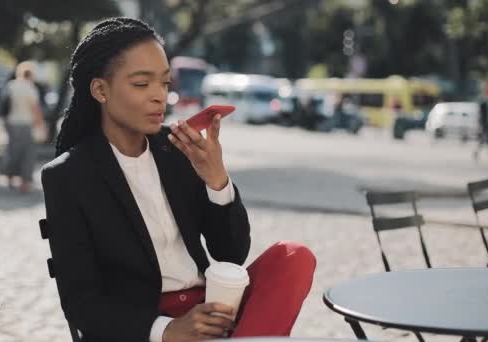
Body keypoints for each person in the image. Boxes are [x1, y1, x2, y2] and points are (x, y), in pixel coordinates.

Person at [41, 17, 316, 342]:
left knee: (293, 257)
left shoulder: (177, 149)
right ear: (101, 89)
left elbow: (231, 254)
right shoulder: (69, 176)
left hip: (214, 305)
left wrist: (217, 180)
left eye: (165, 83)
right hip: (148, 323)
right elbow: (83, 306)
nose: (160, 96)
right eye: (142, 84)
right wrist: (167, 330)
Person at [0, 61, 46, 192]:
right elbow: (35, 109)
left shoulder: (11, 86)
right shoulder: (30, 88)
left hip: (12, 123)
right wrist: (41, 125)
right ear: (31, 75)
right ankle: (24, 183)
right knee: (27, 153)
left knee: (12, 151)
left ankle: (9, 178)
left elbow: (4, 106)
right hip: (27, 124)